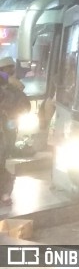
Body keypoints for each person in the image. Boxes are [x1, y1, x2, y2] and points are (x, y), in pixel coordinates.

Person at [0, 57, 30, 206]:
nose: (11, 70)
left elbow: (21, 92)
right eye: (8, 68)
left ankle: (5, 193)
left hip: (6, 128)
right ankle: (5, 193)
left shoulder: (9, 84)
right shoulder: (6, 81)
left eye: (11, 67)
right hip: (6, 128)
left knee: (2, 160)